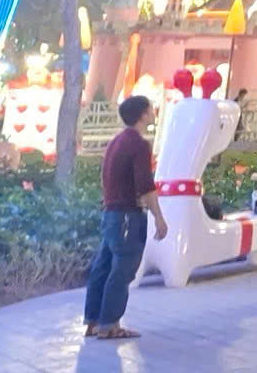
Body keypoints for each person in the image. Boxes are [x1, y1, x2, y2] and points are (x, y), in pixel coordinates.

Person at [84, 95, 167, 341]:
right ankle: (110, 325)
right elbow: (145, 185)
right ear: (143, 114)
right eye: (150, 109)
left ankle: (94, 320)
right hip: (127, 215)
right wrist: (159, 217)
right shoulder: (138, 144)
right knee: (122, 269)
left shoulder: (116, 141)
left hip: (111, 213)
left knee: (103, 267)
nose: (153, 113)